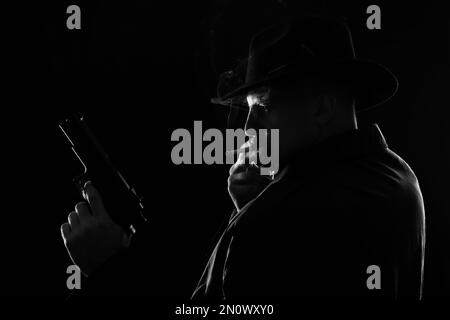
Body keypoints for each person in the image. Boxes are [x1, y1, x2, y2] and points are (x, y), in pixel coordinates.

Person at [61, 16, 425, 299]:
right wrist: (253, 204)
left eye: (263, 106)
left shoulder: (274, 222)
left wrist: (108, 268)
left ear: (323, 108)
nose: (248, 125)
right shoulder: (398, 177)